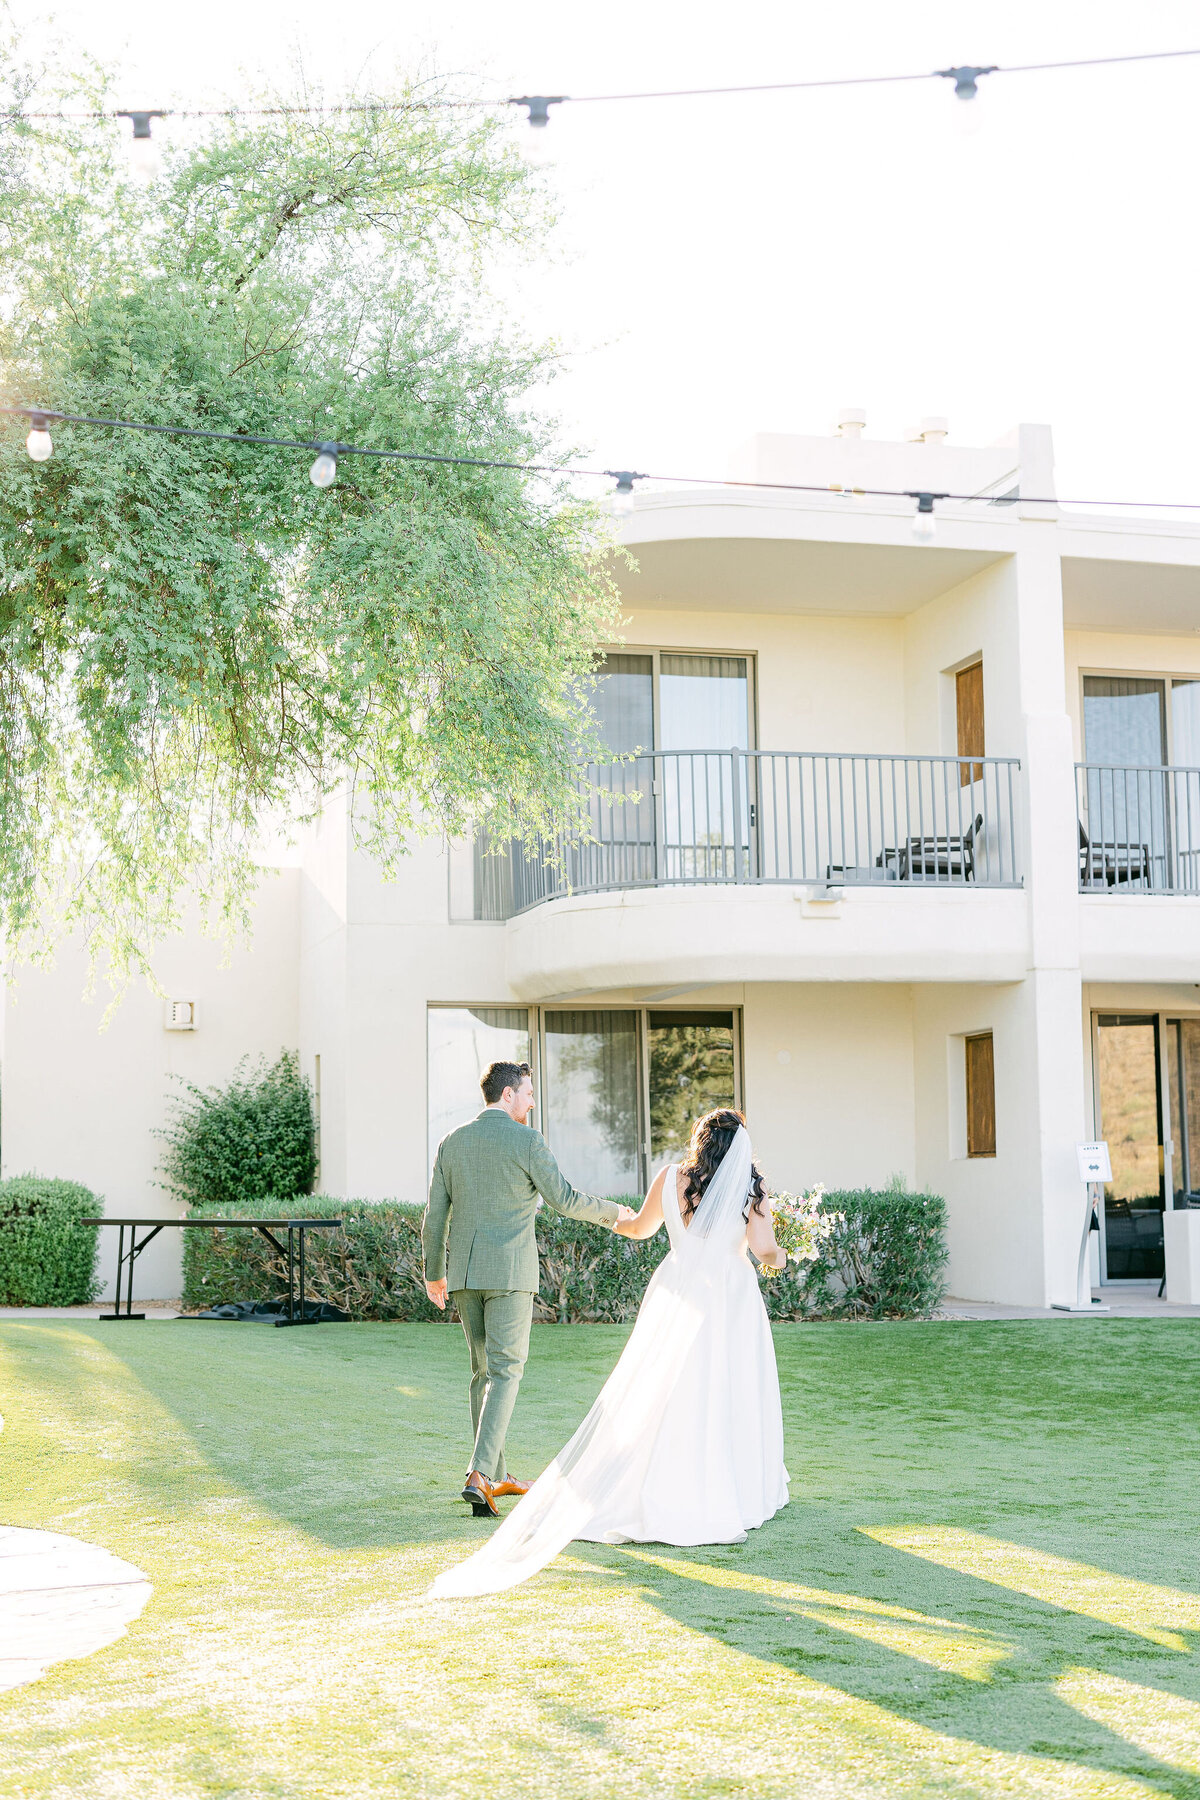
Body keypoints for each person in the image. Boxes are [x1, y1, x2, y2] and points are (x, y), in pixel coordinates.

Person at [429, 1108, 789, 1598]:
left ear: (700, 1140)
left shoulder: (671, 1177)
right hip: (729, 1297)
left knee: (664, 1390)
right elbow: (765, 1250)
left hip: (677, 1290)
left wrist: (611, 1218)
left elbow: (640, 1228)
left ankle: (655, 1483)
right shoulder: (750, 1186)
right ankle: (731, 1485)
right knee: (729, 1387)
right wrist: (787, 1253)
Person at [422, 1060, 636, 1518]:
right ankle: (479, 1473)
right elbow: (564, 1199)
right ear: (507, 1095)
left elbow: (435, 1217)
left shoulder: (451, 1143)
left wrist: (434, 1274)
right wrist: (615, 1212)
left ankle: (495, 1479)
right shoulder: (527, 1140)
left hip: (462, 1277)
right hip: (510, 1275)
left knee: (483, 1374)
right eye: (528, 1093)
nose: (533, 1101)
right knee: (506, 1372)